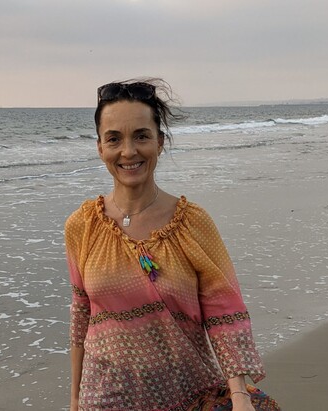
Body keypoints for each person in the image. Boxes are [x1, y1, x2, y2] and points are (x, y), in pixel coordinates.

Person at [65, 79, 276, 411]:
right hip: (105, 397)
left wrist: (239, 396)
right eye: (114, 139)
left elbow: (223, 311)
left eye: (141, 136)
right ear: (100, 147)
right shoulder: (83, 225)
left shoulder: (192, 223)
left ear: (160, 142)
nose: (128, 151)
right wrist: (75, 399)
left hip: (187, 392)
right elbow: (81, 311)